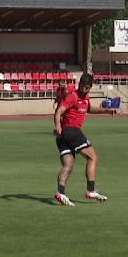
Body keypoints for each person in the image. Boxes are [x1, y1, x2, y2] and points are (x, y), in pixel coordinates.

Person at [53, 73, 112, 206]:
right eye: (82, 86)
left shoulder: (85, 97)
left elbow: (89, 108)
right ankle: (90, 190)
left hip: (63, 137)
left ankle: (60, 193)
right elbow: (58, 112)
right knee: (93, 158)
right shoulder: (73, 96)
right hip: (71, 131)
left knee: (68, 164)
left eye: (86, 87)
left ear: (90, 87)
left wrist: (106, 110)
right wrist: (58, 127)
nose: (83, 89)